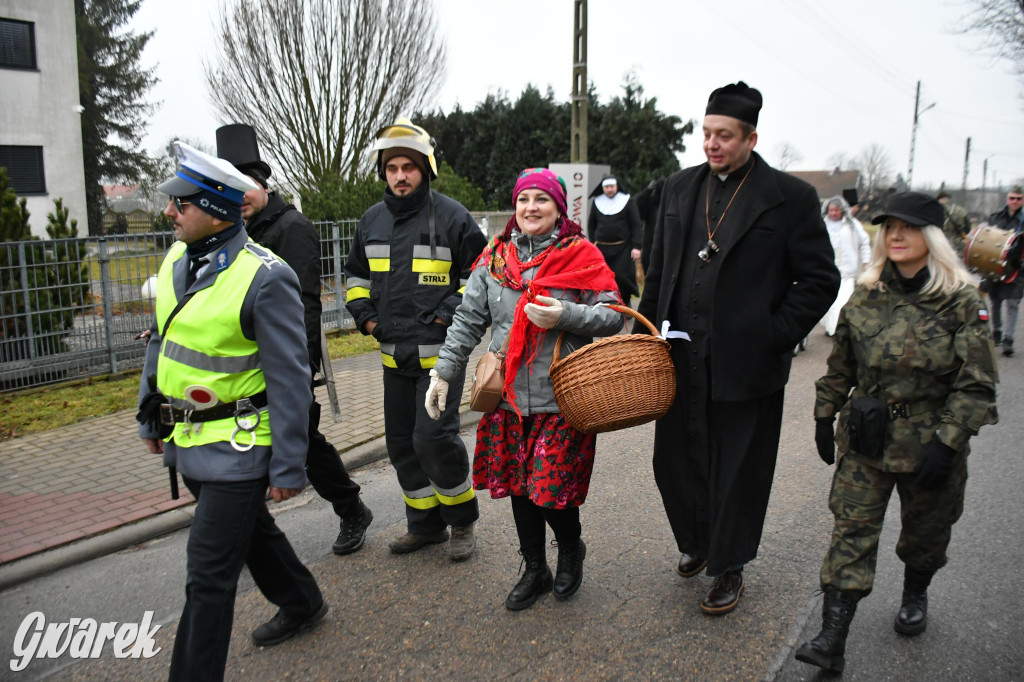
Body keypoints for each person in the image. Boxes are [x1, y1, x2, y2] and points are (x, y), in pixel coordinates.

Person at [637, 81, 840, 615]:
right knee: (675, 461)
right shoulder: (679, 187)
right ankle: (697, 541)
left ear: (751, 138)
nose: (711, 143)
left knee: (737, 470)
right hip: (680, 356)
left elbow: (820, 279)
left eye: (724, 135)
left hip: (747, 363)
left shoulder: (790, 198)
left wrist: (774, 333)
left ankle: (729, 565)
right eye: (706, 133)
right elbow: (658, 271)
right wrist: (643, 341)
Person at [136, 143, 327, 680]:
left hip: (241, 445)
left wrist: (288, 464)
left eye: (180, 204)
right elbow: (162, 342)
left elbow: (290, 379)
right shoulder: (176, 259)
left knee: (207, 575)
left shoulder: (266, 276)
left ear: (216, 209)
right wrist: (149, 412)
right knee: (252, 533)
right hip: (188, 439)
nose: (168, 212)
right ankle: (302, 600)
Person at [796, 191, 998, 673]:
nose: (896, 235)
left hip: (930, 439)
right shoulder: (867, 293)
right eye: (889, 227)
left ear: (932, 237)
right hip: (867, 435)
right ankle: (831, 638)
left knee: (926, 532)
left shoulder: (960, 300)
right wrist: (824, 414)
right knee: (851, 531)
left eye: (907, 227)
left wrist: (949, 444)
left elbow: (976, 384)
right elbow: (841, 365)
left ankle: (915, 592)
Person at [426, 168, 624, 609]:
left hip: (563, 396)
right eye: (523, 200)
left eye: (542, 199)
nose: (531, 207)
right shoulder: (494, 259)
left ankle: (570, 550)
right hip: (508, 399)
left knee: (553, 491)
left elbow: (614, 316)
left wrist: (566, 315)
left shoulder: (581, 254)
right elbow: (467, 320)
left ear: (558, 208)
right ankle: (535, 568)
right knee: (520, 488)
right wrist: (443, 372)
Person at [216, 123, 373, 556]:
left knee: (302, 443)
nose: (239, 196)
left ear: (263, 185)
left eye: (245, 185)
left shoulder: (292, 228)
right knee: (249, 446)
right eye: (228, 189)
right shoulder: (230, 233)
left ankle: (352, 509)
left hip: (285, 359)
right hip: (241, 361)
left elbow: (305, 302)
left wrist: (299, 368)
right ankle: (251, 537)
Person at [344, 118, 487, 560]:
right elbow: (355, 278)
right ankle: (424, 525)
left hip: (441, 360)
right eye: (392, 168)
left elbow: (480, 278)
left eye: (408, 167)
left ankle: (461, 521)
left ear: (425, 169)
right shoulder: (370, 222)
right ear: (383, 172)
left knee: (433, 439)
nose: (400, 175)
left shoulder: (453, 217)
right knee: (402, 444)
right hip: (393, 360)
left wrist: (446, 314)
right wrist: (368, 321)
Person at [820, 195, 871, 336]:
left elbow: (864, 242)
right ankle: (830, 328)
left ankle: (836, 331)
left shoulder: (853, 225)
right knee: (828, 303)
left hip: (847, 272)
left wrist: (866, 262)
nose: (833, 213)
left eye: (836, 210)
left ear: (842, 210)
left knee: (842, 302)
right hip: (827, 271)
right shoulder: (821, 224)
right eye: (830, 210)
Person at [982, 185, 1024, 356]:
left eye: (1019, 198)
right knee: (995, 302)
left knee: (1013, 303)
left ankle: (1008, 339)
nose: (1015, 201)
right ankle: (997, 331)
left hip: (1017, 268)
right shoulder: (995, 218)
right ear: (1007, 199)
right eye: (1012, 198)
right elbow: (985, 240)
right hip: (996, 265)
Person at [588, 175, 643, 304]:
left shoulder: (627, 201)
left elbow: (636, 225)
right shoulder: (597, 202)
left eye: (612, 186)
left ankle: (625, 301)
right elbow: (592, 224)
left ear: (617, 186)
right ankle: (605, 302)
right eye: (607, 187)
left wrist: (636, 246)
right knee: (602, 276)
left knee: (623, 275)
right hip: (601, 247)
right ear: (603, 188)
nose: (609, 189)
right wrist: (592, 244)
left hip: (623, 248)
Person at [936, 189, 971, 255]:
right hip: (958, 245)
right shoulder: (961, 210)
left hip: (940, 243)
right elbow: (967, 229)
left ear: (939, 199)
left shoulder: (935, 210)